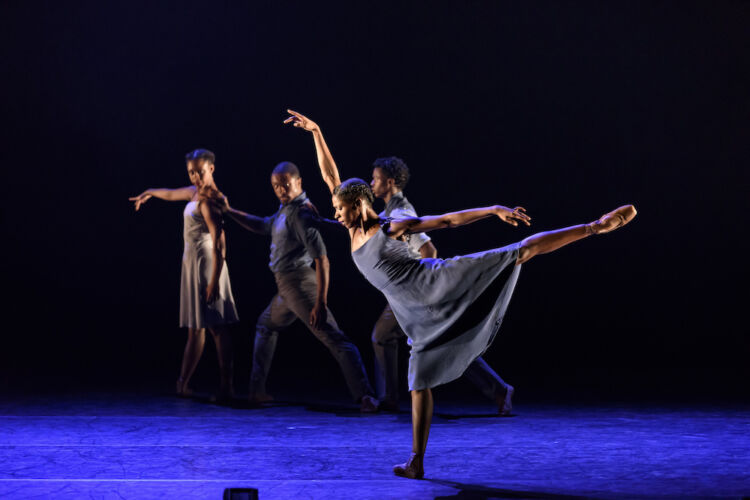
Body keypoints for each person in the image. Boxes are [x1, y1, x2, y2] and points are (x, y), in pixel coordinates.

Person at [284, 109, 636, 479]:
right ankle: (416, 462)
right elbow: (330, 176)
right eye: (336, 208)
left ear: (358, 205)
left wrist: (493, 210)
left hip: (437, 281)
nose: (335, 215)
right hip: (414, 313)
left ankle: (593, 227)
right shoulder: (351, 218)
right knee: (418, 384)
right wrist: (317, 132)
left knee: (516, 253)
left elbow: (448, 220)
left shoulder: (390, 227)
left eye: (340, 210)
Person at [220, 161, 379, 412]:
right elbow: (262, 225)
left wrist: (321, 303)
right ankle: (257, 391)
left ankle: (365, 396)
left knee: (333, 337)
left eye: (285, 184)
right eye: (276, 185)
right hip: (285, 289)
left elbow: (322, 259)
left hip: (300, 285)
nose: (281, 189)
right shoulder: (286, 210)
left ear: (298, 182)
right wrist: (229, 211)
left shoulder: (302, 214)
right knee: (265, 325)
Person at [370, 157, 515, 414]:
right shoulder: (389, 211)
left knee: (385, 336)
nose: (372, 184)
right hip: (408, 291)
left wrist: (426, 289)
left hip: (414, 291)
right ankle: (499, 389)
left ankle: (390, 397)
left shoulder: (400, 213)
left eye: (376, 179)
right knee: (439, 341)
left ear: (389, 182)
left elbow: (428, 248)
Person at [129, 149, 238, 400]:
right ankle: (183, 383)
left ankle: (226, 386)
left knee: (217, 327)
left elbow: (220, 244)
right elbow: (170, 193)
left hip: (208, 265)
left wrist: (213, 281)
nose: (196, 177)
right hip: (192, 264)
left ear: (211, 168)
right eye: (191, 172)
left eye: (200, 172)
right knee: (196, 328)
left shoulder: (212, 199)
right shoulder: (194, 192)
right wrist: (149, 193)